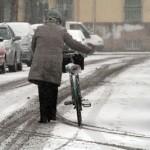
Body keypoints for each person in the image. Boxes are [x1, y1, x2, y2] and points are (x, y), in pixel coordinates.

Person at [28, 9, 93, 123]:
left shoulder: (39, 29)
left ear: (47, 19)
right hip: (53, 65)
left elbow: (33, 46)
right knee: (52, 88)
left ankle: (43, 116)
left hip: (40, 64)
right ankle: (52, 115)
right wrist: (87, 49)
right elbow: (73, 44)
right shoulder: (61, 31)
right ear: (58, 20)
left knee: (42, 90)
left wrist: (37, 56)